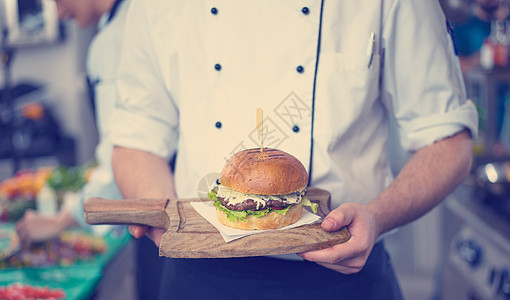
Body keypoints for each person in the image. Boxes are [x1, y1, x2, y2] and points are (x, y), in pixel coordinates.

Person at [108, 1, 478, 299]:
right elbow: (136, 139)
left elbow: (448, 140)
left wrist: (378, 216)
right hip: (198, 276)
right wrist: (169, 225)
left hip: (341, 275)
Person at [15, 1, 164, 299]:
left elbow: (123, 152)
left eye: (56, 1)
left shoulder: (115, 41)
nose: (57, 14)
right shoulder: (131, 19)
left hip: (157, 222)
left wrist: (60, 221)